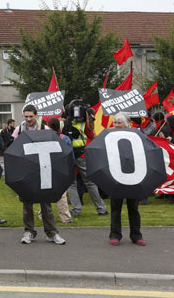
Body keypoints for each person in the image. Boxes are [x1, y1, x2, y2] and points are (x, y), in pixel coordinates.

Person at [14, 105, 66, 246]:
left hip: (43, 170)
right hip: (26, 172)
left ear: (36, 115)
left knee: (46, 204)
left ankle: (52, 233)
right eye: (26, 116)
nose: (28, 119)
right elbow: (14, 149)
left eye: (31, 116)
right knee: (27, 204)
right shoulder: (19, 129)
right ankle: (29, 231)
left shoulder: (45, 129)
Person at [62, 103, 108, 217]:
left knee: (71, 184)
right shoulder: (84, 124)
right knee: (90, 183)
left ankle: (76, 209)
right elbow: (93, 136)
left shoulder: (62, 123)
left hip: (68, 156)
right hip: (82, 155)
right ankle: (101, 209)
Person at [109, 113, 146, 246]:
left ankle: (136, 235)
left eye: (119, 123)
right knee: (115, 208)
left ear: (127, 123)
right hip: (116, 177)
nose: (117, 125)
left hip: (133, 176)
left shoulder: (136, 135)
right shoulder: (110, 136)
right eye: (115, 123)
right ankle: (115, 234)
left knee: (133, 208)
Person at [46, 118, 74, 224]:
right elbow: (70, 155)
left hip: (48, 167)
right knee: (62, 193)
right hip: (61, 168)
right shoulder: (65, 138)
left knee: (45, 192)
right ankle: (65, 217)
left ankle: (42, 214)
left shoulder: (46, 137)